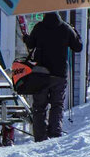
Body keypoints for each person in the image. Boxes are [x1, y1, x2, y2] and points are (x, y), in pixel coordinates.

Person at [25, 12, 83, 141]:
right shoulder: (65, 28)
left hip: (40, 74)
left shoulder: (39, 27)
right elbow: (78, 47)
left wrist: (26, 38)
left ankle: (40, 136)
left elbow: (30, 44)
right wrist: (75, 32)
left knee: (39, 106)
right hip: (59, 74)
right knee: (57, 104)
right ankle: (55, 133)